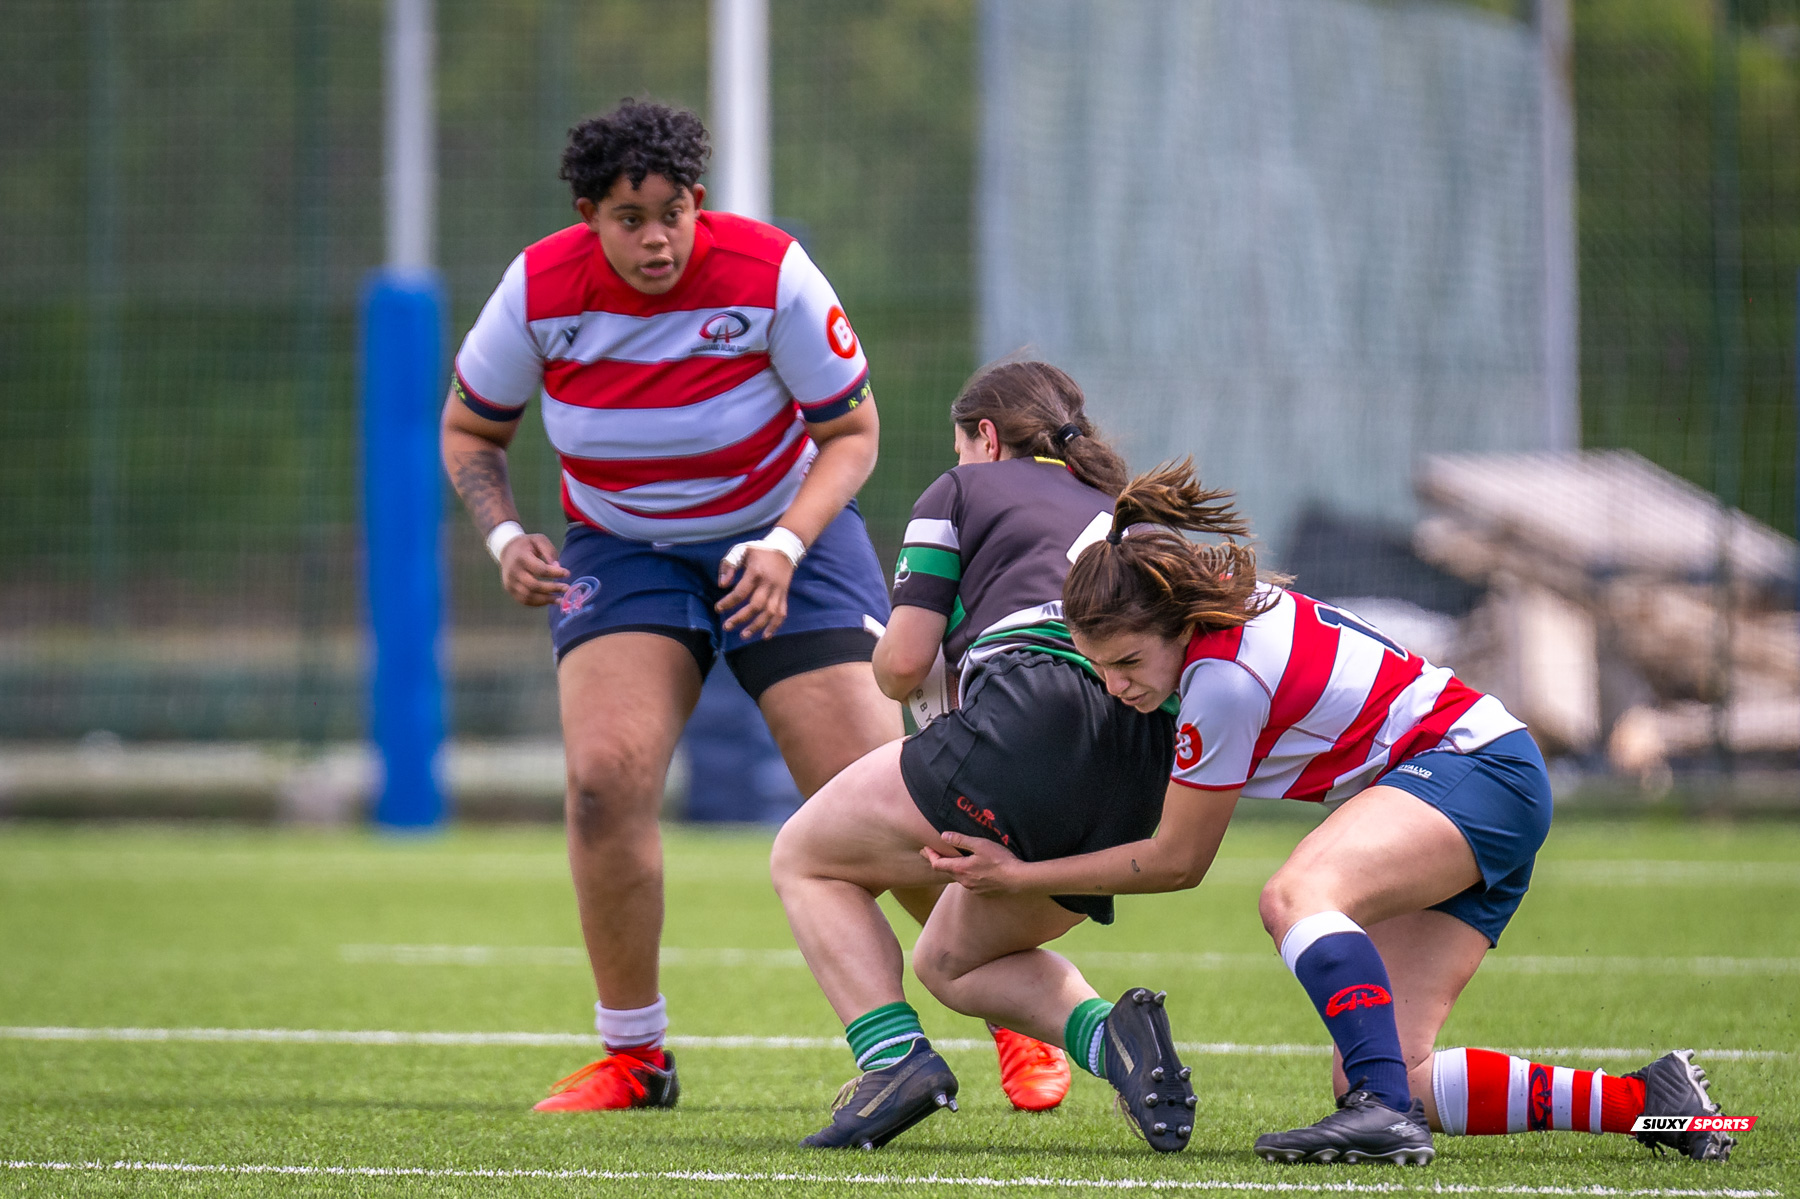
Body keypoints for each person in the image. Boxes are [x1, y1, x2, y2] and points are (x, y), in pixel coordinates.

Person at [924, 461, 1738, 1165]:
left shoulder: (1222, 680)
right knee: (1390, 1067)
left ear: (1175, 619)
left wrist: (1022, 874)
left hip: (1473, 768)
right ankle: (1653, 1101)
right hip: (1479, 779)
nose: (1119, 686)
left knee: (1297, 895)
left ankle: (1382, 1114)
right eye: (1101, 667)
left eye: (1129, 661)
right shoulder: (1216, 624)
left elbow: (1178, 860)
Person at [440, 98, 907, 1112]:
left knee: (880, 793)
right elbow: (471, 431)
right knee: (603, 783)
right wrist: (504, 535)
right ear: (587, 215)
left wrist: (784, 543)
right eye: (628, 216)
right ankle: (635, 1055)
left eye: (672, 212)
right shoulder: (537, 289)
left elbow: (854, 433)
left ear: (699, 201)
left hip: (791, 535)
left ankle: (1016, 1011)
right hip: (624, 544)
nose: (655, 238)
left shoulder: (771, 272)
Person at [770, 361, 1196, 1153]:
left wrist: (908, 664)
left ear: (986, 437)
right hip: (1141, 767)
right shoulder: (1120, 508)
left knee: (805, 856)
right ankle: (1117, 1040)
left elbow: (901, 665)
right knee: (950, 960)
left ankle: (892, 1060)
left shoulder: (961, 490)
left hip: (1028, 717)